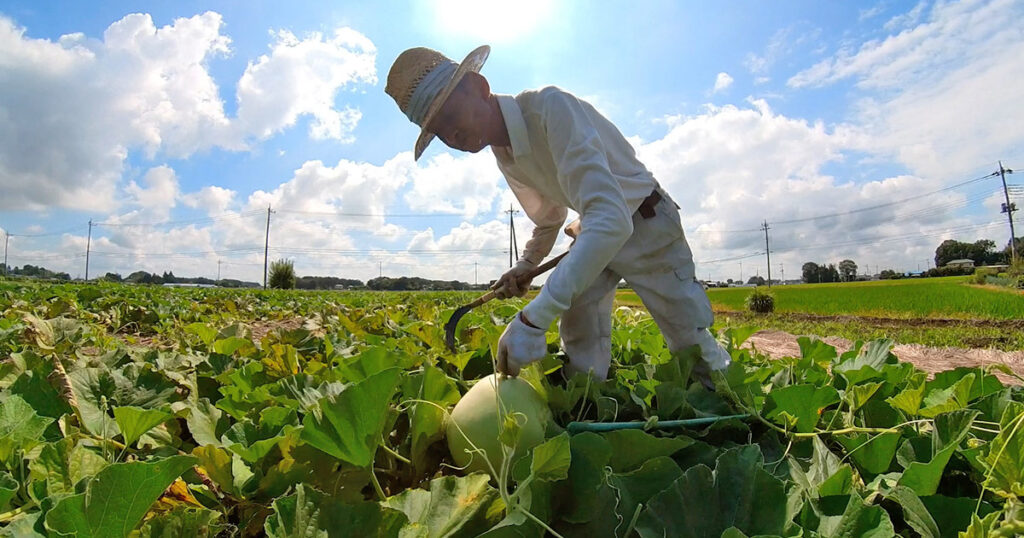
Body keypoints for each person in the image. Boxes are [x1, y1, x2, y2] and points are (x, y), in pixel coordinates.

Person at [384, 45, 731, 387]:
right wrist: (526, 264)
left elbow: (611, 217)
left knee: (688, 339)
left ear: (478, 87)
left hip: (646, 222)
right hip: (596, 231)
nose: (450, 135)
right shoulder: (504, 153)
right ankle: (585, 407)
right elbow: (550, 218)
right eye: (438, 131)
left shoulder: (550, 108)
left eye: (448, 115)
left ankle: (735, 413)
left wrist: (534, 320)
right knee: (581, 336)